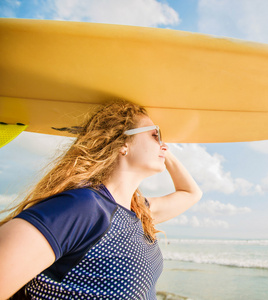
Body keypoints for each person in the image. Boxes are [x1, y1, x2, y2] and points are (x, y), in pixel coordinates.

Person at [0, 100, 202, 299]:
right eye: (154, 134)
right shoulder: (83, 207)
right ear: (123, 144)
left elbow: (191, 193)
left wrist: (163, 150)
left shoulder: (137, 211)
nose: (162, 143)